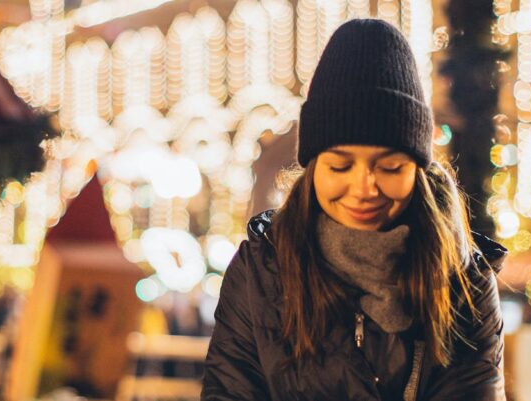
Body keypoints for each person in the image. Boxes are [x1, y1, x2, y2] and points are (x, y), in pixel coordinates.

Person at [201, 18, 507, 401]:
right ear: (312, 170)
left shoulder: (463, 280)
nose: (364, 188)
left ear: (417, 169)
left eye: (389, 167)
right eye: (340, 166)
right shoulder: (260, 270)